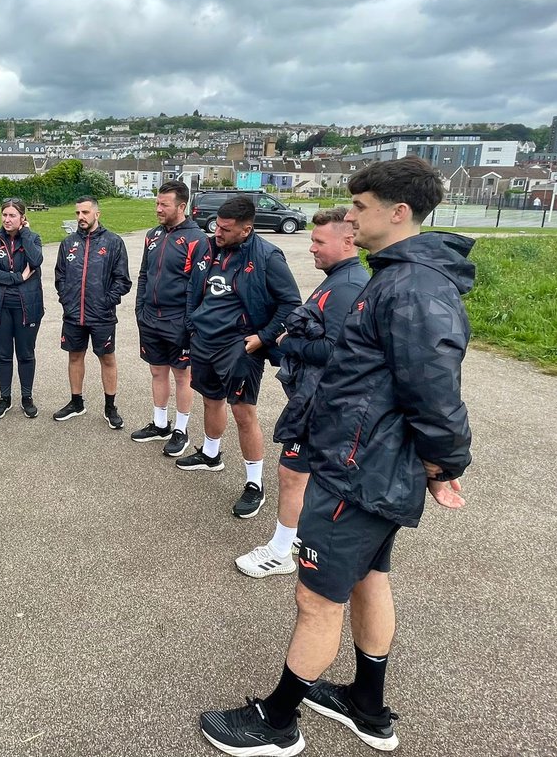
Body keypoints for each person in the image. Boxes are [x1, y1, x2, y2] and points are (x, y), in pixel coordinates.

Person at [199, 157, 474, 755]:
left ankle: (275, 723)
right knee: (370, 579)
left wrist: (445, 462)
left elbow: (434, 389)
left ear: (397, 212)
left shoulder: (412, 288)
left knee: (316, 596)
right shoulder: (398, 276)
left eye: (361, 206)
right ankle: (368, 706)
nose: (350, 216)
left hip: (360, 469)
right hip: (369, 462)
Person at [235, 207, 368, 579]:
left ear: (348, 241)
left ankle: (279, 551)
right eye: (311, 240)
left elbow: (336, 350)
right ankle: (296, 534)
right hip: (317, 396)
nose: (311, 248)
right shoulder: (339, 278)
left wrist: (286, 341)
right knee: (304, 473)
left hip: (322, 400)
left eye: (318, 241)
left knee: (292, 472)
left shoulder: (346, 286)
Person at [177, 196, 301, 521]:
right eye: (217, 225)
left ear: (246, 230)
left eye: (226, 228)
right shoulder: (208, 248)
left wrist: (262, 337)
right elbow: (193, 290)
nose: (218, 232)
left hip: (239, 346)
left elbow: (291, 303)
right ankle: (210, 454)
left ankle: (254, 484)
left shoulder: (268, 257)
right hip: (204, 341)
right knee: (209, 399)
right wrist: (193, 325)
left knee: (243, 412)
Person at [130, 180, 210, 457]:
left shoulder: (197, 239)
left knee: (182, 376)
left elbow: (198, 286)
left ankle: (181, 430)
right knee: (157, 371)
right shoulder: (152, 235)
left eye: (164, 204)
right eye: (157, 203)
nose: (158, 209)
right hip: (150, 317)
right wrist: (139, 309)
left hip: (179, 320)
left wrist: (190, 322)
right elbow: (144, 274)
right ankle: (160, 423)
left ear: (181, 206)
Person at [53, 196, 132, 428]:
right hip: (73, 314)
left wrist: (107, 301)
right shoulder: (68, 243)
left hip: (102, 315)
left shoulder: (113, 242)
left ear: (97, 214)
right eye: (78, 213)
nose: (81, 217)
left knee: (107, 358)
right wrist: (67, 299)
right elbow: (60, 276)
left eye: (85, 212)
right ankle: (76, 402)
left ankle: (110, 407)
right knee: (75, 356)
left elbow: (123, 280)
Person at [0, 197, 44, 419]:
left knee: (26, 354)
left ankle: (27, 397)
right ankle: (4, 397)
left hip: (28, 306)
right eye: (4, 215)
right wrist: (19, 277)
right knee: (4, 354)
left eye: (12, 215)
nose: (7, 219)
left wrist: (25, 234)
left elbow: (36, 261)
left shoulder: (33, 238)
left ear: (22, 218)